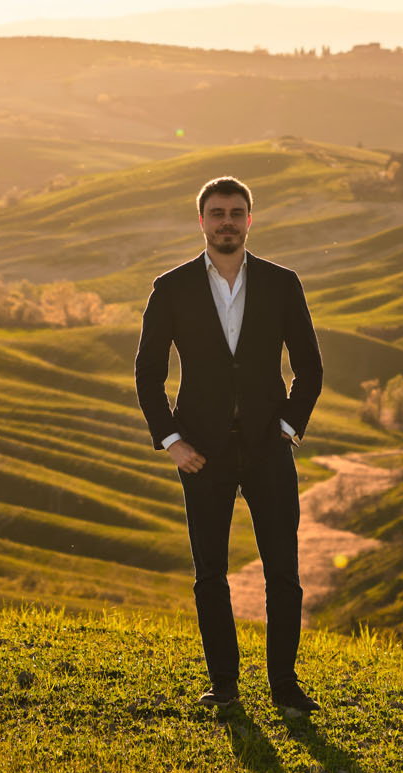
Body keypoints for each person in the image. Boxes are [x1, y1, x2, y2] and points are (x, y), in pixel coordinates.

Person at [134, 176, 324, 715]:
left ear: (249, 219)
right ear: (201, 221)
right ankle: (225, 688)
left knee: (283, 575)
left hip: (269, 449)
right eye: (216, 213)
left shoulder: (282, 284)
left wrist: (288, 430)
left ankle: (285, 688)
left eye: (236, 213)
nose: (227, 222)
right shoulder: (170, 288)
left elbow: (309, 368)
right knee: (210, 576)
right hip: (203, 454)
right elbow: (148, 374)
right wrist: (171, 440)